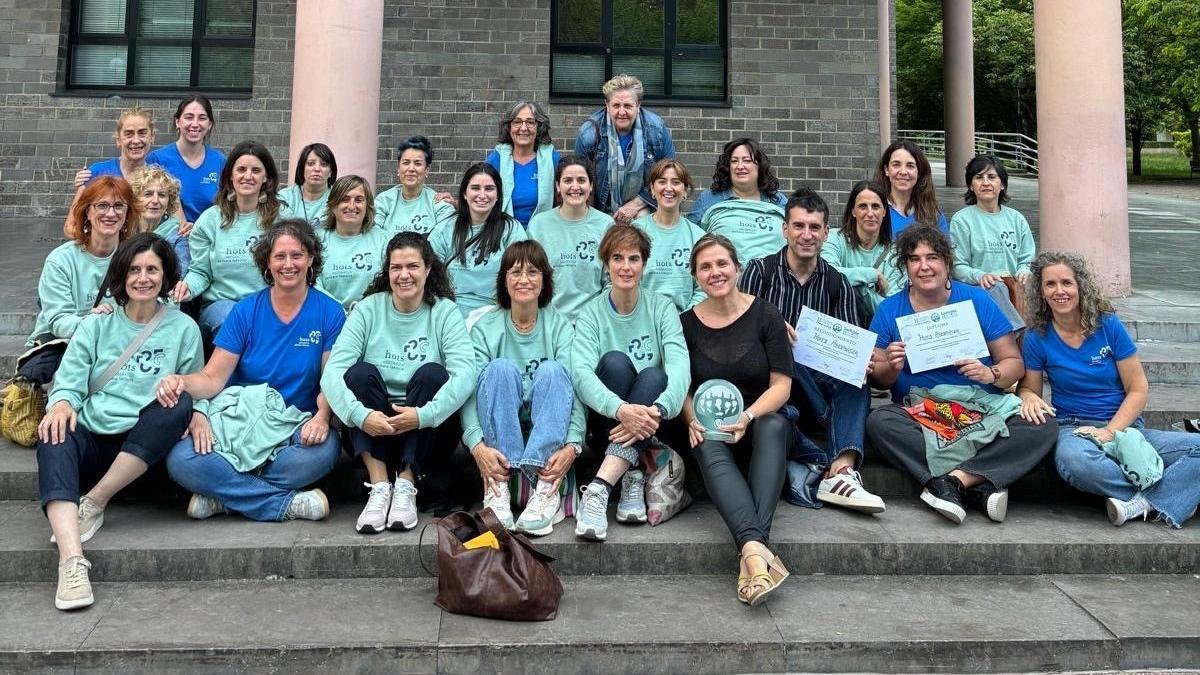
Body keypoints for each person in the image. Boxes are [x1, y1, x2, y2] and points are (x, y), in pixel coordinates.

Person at [37, 233, 201, 610]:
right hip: (96, 442)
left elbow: (198, 383)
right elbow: (70, 380)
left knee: (177, 403)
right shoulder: (96, 325)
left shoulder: (183, 329)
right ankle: (71, 561)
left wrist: (201, 414)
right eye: (134, 270)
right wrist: (61, 403)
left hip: (146, 451)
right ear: (121, 275)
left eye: (152, 270)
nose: (143, 278)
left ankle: (93, 503)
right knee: (54, 429)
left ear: (166, 275)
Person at [865, 226, 1056, 524]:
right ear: (906, 267)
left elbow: (1013, 363)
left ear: (947, 263)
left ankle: (955, 482)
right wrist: (890, 366)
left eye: (932, 257)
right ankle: (983, 483)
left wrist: (990, 373)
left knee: (1042, 424)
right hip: (924, 414)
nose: (924, 266)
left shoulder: (977, 300)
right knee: (880, 422)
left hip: (980, 407)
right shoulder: (891, 309)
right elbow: (878, 380)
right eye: (914, 259)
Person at [162, 220, 345, 523]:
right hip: (239, 421)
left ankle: (224, 497)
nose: (288, 264)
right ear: (267, 262)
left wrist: (322, 417)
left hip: (293, 425)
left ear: (311, 258)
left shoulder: (329, 311)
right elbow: (212, 378)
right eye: (279, 257)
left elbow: (330, 379)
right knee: (181, 459)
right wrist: (180, 382)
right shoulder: (245, 310)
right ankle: (283, 504)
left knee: (325, 450)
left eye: (297, 255)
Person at [1018, 251, 1200, 528]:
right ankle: (1172, 493)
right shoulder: (1036, 336)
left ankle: (1144, 502)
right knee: (1073, 463)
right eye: (1050, 284)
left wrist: (1109, 432)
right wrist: (1028, 395)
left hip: (1126, 430)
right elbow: (1030, 391)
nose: (1059, 291)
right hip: (1075, 429)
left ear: (1080, 286)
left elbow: (1137, 388)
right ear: (1041, 291)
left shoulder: (1107, 325)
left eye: (1067, 283)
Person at [739, 187, 884, 514]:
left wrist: (860, 362)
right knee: (783, 356)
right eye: (799, 226)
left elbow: (847, 351)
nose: (807, 235)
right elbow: (738, 339)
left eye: (814, 227)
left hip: (818, 390)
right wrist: (772, 335)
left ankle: (843, 469)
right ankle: (824, 461)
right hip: (771, 387)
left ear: (825, 233)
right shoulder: (760, 272)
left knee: (857, 381)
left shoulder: (837, 283)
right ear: (785, 229)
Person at [321, 232, 476, 534]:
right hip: (373, 428)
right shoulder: (367, 309)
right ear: (387, 271)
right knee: (359, 374)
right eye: (396, 267)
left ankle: (405, 485)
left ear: (428, 269)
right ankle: (379, 487)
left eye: (413, 266)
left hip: (426, 430)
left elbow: (465, 373)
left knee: (433, 374)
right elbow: (333, 372)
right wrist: (360, 415)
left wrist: (423, 415)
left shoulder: (444, 311)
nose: (404, 275)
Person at [680, 233, 793, 605]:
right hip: (711, 433)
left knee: (774, 423)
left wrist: (748, 415)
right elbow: (681, 386)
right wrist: (690, 415)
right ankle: (757, 555)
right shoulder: (686, 324)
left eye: (722, 264)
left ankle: (751, 550)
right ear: (696, 276)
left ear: (737, 267)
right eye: (705, 267)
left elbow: (781, 386)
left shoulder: (766, 314)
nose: (715, 272)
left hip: (757, 426)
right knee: (704, 438)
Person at [572, 224, 690, 541]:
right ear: (606, 263)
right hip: (607, 423)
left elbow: (680, 364)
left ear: (644, 264)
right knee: (613, 362)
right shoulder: (590, 313)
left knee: (655, 376)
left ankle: (602, 487)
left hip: (651, 423)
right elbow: (581, 374)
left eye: (634, 259)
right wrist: (621, 409)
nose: (626, 267)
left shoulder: (662, 307)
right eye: (617, 258)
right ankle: (630, 474)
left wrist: (661, 408)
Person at [462, 240, 585, 535]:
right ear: (504, 279)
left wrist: (573, 444)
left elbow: (577, 390)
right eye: (515, 272)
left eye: (532, 272)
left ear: (545, 280)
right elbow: (466, 392)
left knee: (555, 370)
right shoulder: (485, 328)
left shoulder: (560, 327)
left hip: (548, 430)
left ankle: (545, 490)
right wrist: (476, 445)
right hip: (501, 433)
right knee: (499, 369)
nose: (524, 280)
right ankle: (499, 488)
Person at [23, 177, 136, 385]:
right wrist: (91, 321)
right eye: (102, 205)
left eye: (119, 206)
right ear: (87, 211)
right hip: (67, 342)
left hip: (114, 344)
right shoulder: (61, 260)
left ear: (128, 213)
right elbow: (58, 321)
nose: (111, 213)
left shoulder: (136, 258)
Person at [173, 140, 282, 338]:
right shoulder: (210, 220)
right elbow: (200, 271)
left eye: (256, 170)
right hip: (221, 306)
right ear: (230, 176)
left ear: (266, 177)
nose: (247, 176)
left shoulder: (281, 219)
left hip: (269, 304)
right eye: (241, 169)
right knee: (234, 323)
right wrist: (187, 286)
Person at [429, 163, 527, 319]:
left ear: (498, 195)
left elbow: (521, 273)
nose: (482, 195)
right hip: (449, 314)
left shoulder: (511, 230)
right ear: (464, 194)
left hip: (496, 314)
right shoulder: (445, 228)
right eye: (475, 188)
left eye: (489, 189)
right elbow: (429, 274)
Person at [573, 74, 676, 224]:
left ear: (638, 105)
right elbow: (580, 180)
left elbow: (670, 175)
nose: (622, 112)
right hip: (601, 209)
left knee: (642, 222)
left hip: (644, 206)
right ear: (607, 105)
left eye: (628, 106)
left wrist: (635, 205)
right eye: (616, 106)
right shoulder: (589, 134)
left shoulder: (656, 130)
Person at [950, 155, 1034, 331]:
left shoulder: (1016, 219)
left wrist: (1024, 270)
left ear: (1002, 184)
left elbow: (1027, 258)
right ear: (970, 186)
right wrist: (980, 275)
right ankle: (1017, 331)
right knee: (996, 287)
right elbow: (957, 266)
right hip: (981, 286)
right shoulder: (962, 220)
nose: (986, 182)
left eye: (992, 177)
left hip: (1014, 284)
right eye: (979, 177)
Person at [527, 155, 613, 322]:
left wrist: (596, 317)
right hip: (547, 321)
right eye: (567, 181)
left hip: (592, 322)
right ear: (558, 186)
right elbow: (530, 276)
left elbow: (611, 280)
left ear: (591, 186)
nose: (575, 187)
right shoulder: (538, 225)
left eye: (581, 180)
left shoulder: (606, 225)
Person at [688, 138, 788, 263]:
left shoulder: (778, 201)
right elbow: (689, 238)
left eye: (747, 160)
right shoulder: (709, 199)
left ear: (759, 166)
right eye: (734, 161)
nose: (740, 166)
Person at [64, 107, 158, 238]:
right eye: (129, 134)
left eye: (142, 133)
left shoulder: (158, 180)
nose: (136, 140)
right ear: (118, 139)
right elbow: (71, 227)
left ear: (152, 137)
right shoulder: (96, 173)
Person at [632, 158, 706, 311]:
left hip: (685, 323)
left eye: (676, 182)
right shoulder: (635, 231)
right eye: (662, 181)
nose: (669, 188)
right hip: (642, 318)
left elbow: (703, 288)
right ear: (652, 189)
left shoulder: (698, 237)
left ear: (685, 191)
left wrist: (688, 316)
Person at [821, 180, 904, 315]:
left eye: (876, 206)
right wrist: (872, 274)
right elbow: (825, 274)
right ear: (853, 211)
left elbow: (891, 309)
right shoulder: (834, 238)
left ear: (884, 212)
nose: (870, 213)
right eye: (863, 206)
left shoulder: (895, 253)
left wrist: (861, 289)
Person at [147, 95, 226, 225]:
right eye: (189, 117)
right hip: (167, 238)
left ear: (210, 124)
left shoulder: (220, 162)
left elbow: (227, 207)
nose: (195, 124)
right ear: (178, 122)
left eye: (202, 118)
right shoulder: (157, 160)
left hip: (208, 238)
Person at [316, 175, 390, 310]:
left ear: (367, 206)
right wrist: (337, 312)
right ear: (332, 206)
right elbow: (314, 284)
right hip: (328, 317)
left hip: (371, 316)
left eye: (359, 200)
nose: (351, 206)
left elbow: (388, 284)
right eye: (344, 199)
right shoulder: (317, 241)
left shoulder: (383, 240)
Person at [485, 101, 560, 228]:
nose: (523, 128)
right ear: (509, 127)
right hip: (503, 234)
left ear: (539, 127)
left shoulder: (551, 158)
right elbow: (479, 194)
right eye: (517, 122)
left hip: (542, 235)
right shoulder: (497, 159)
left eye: (530, 122)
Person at [373, 136, 456, 236]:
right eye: (406, 163)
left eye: (418, 163)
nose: (411, 168)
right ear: (398, 169)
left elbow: (447, 238)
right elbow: (374, 237)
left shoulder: (438, 203)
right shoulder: (384, 201)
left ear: (427, 170)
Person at [872, 139, 948, 236]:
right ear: (886, 170)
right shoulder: (872, 213)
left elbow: (943, 250)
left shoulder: (934, 216)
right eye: (896, 165)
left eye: (910, 166)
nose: (903, 172)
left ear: (919, 172)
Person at [128, 165, 190, 269]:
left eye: (161, 195)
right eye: (148, 194)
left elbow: (179, 274)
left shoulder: (179, 234)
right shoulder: (124, 230)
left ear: (169, 202)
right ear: (135, 199)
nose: (155, 200)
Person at [279, 142, 336, 227]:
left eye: (323, 164)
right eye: (310, 163)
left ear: (331, 172)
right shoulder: (285, 198)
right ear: (302, 169)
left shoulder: (338, 199)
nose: (317, 169)